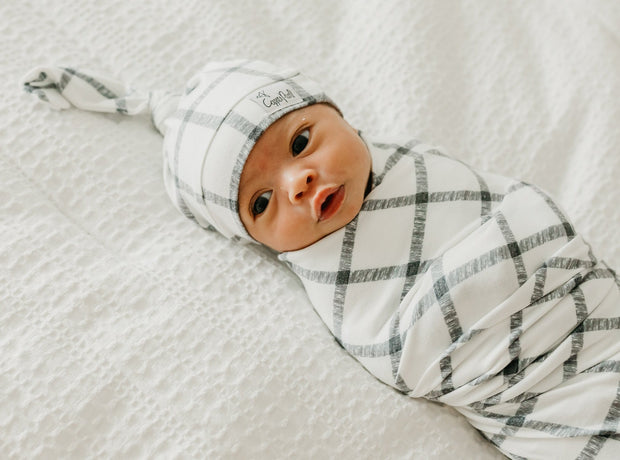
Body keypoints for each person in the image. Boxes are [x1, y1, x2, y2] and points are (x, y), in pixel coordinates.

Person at [22, 59, 620, 459]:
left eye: (301, 142)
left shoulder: (419, 168)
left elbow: (527, 216)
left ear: (338, 113)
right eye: (261, 201)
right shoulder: (335, 281)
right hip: (545, 399)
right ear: (257, 241)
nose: (300, 182)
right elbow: (403, 353)